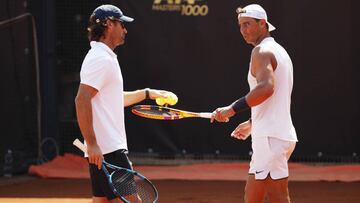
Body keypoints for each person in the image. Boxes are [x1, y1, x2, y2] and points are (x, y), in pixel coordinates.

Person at [75, 4, 176, 203]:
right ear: (107, 24)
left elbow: (113, 99)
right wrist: (93, 144)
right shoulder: (100, 59)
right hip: (109, 150)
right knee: (133, 201)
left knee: (101, 200)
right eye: (121, 24)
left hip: (104, 150)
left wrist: (148, 93)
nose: (125, 29)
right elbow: (82, 99)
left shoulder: (104, 57)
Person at [210, 4, 298, 203]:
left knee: (277, 196)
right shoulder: (280, 51)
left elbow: (267, 88)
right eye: (241, 26)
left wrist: (231, 109)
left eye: (248, 24)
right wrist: (252, 122)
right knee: (253, 195)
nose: (243, 30)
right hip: (273, 134)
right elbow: (276, 98)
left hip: (270, 137)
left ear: (263, 24)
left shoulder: (261, 51)